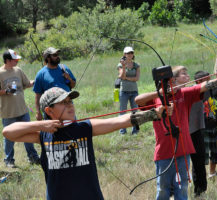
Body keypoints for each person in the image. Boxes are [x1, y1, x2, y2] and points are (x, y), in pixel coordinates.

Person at [2, 87, 168, 200]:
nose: (70, 105)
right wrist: (40, 125)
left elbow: (120, 121)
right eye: (64, 102)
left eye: (70, 101)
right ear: (49, 111)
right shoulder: (43, 135)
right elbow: (8, 132)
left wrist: (153, 114)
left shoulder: (85, 127)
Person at [135, 66, 217, 200]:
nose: (173, 85)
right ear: (162, 84)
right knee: (163, 190)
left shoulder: (184, 94)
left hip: (183, 151)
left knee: (182, 188)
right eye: (169, 82)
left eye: (174, 81)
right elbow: (138, 100)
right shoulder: (156, 99)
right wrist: (160, 93)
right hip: (164, 154)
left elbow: (203, 86)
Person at [0, 49, 40, 168]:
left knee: (29, 133)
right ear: (7, 60)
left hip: (22, 110)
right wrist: (6, 91)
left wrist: (37, 80)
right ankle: (9, 160)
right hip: (8, 112)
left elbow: (26, 83)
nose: (17, 61)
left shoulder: (18, 70)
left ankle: (33, 157)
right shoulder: (0, 73)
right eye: (14, 59)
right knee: (9, 137)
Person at [33, 47, 76, 121]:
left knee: (73, 129)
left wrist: (69, 78)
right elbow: (38, 95)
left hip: (67, 106)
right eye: (55, 55)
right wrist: (38, 112)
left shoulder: (64, 68)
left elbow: (73, 85)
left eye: (57, 54)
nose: (57, 57)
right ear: (48, 58)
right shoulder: (41, 74)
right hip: (52, 111)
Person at [117, 46, 140, 135]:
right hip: (124, 91)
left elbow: (137, 78)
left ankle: (135, 130)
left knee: (135, 111)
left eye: (131, 53)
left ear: (133, 54)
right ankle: (122, 131)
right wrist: (123, 66)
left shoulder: (136, 65)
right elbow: (121, 76)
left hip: (134, 91)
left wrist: (127, 78)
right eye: (127, 53)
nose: (129, 55)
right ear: (124, 54)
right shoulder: (120, 65)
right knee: (123, 111)